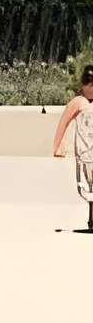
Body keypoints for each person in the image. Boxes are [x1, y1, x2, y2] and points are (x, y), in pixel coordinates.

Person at [51, 66, 93, 235]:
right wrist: (57, 146)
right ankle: (91, 219)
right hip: (86, 152)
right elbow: (64, 122)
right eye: (90, 86)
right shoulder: (78, 102)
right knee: (89, 187)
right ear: (84, 85)